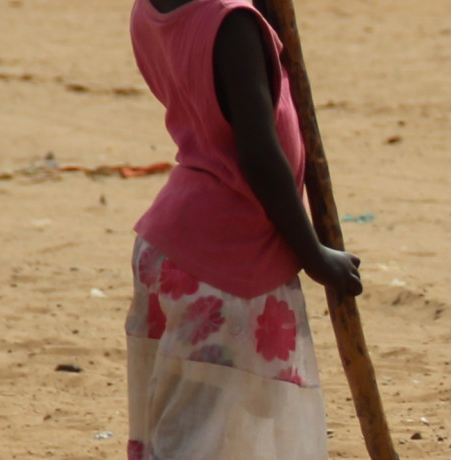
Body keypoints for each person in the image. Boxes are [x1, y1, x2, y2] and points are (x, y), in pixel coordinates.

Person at [124, 0, 363, 458]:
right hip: (228, 258)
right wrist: (313, 254)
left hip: (170, 243)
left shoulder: (154, 7)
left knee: (193, 421)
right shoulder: (232, 21)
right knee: (203, 437)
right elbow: (258, 152)